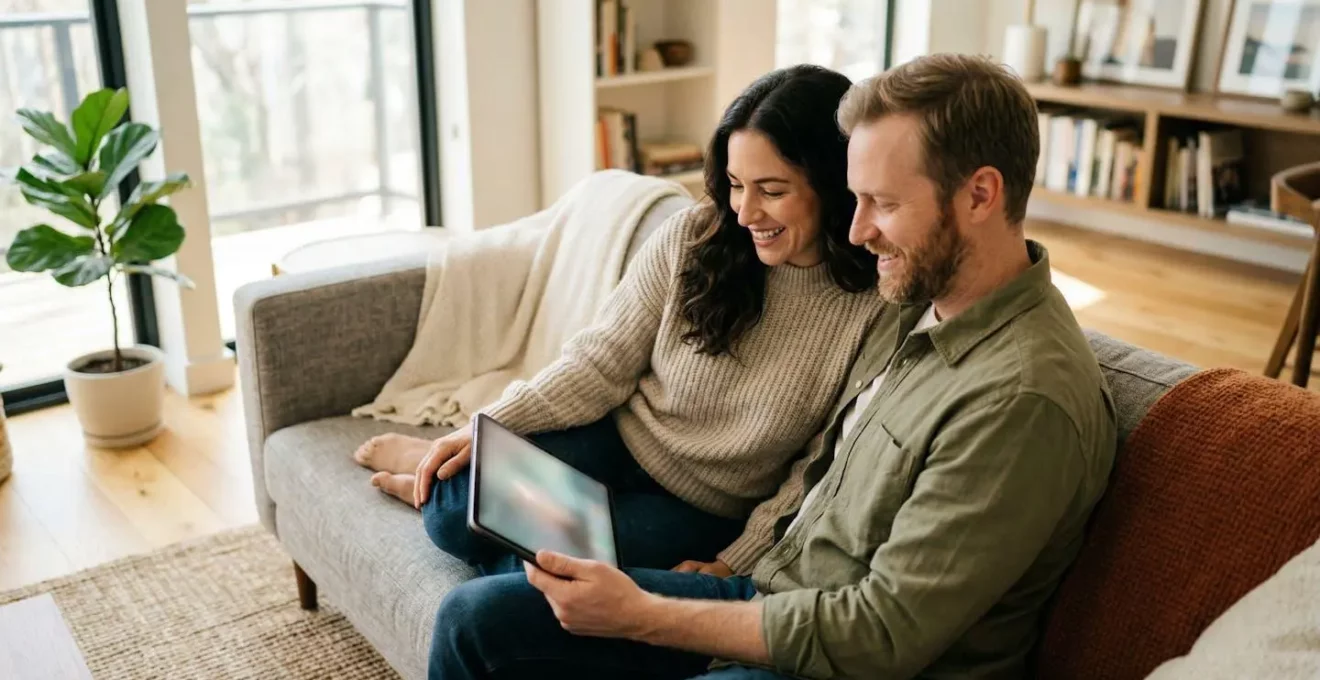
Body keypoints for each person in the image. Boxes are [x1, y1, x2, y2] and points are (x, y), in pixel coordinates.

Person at [426, 53, 1119, 679]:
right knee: (474, 618)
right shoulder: (926, 310)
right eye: (857, 199)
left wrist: (644, 611)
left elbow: (879, 634)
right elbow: (820, 470)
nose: (857, 230)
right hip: (771, 597)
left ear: (979, 195)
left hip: (824, 652)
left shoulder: (1022, 397)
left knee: (519, 606)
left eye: (881, 203)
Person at [354, 64, 884, 577]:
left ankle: (477, 528)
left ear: (835, 184)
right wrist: (490, 425)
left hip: (703, 509)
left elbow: (820, 464)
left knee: (542, 578)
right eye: (734, 183)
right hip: (614, 441)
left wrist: (737, 559)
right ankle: (434, 470)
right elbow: (600, 360)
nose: (745, 213)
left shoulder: (875, 306)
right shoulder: (694, 237)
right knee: (451, 509)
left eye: (771, 190)